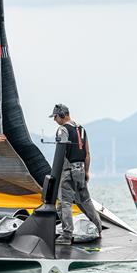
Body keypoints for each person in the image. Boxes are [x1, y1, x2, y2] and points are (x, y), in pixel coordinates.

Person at [49, 104, 102, 244]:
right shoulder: (82, 129)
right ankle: (98, 227)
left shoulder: (62, 130)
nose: (54, 120)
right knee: (85, 201)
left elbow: (60, 153)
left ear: (61, 115)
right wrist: (86, 172)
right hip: (81, 170)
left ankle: (66, 236)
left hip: (68, 172)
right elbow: (88, 153)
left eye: (55, 117)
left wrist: (55, 173)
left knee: (63, 204)